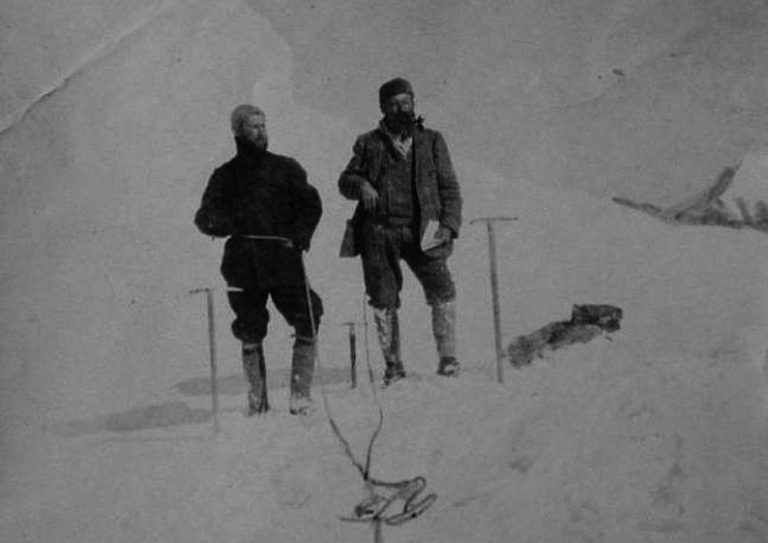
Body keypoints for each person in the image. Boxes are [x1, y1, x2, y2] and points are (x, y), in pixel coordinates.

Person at [195, 105, 323, 416]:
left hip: (283, 259)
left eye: (264, 125)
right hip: (243, 262)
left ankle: (300, 396)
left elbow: (311, 206)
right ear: (238, 132)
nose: (261, 132)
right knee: (249, 326)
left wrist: (299, 236)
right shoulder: (224, 176)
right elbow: (204, 218)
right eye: (254, 127)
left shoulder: (286, 168)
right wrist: (230, 222)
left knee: (308, 314)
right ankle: (257, 400)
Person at [338, 78, 462, 385]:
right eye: (394, 104)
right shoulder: (368, 143)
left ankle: (448, 358)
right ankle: (393, 365)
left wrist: (449, 225)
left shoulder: (432, 141)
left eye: (406, 102)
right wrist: (361, 184)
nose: (401, 109)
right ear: (383, 108)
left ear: (414, 104)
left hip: (426, 230)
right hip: (380, 233)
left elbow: (449, 188)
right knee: (383, 298)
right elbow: (345, 180)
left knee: (443, 290)